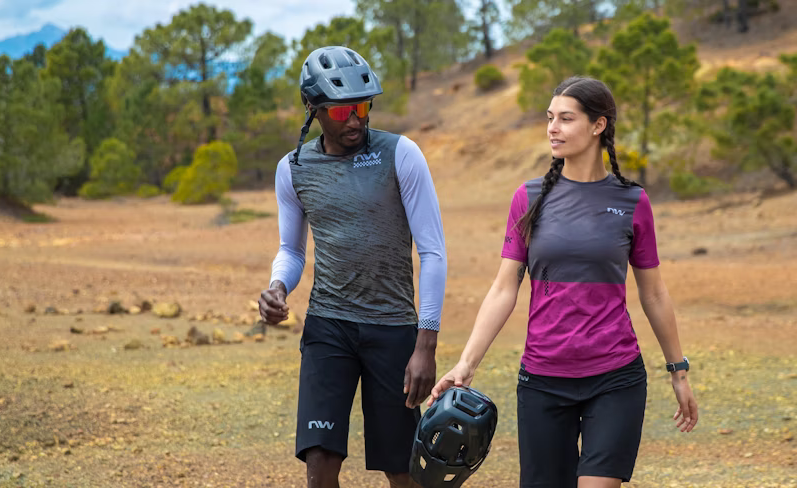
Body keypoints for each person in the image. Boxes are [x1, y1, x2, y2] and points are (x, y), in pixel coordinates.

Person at [428, 76, 698, 488]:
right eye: (550, 118)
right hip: (543, 380)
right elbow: (504, 288)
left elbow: (654, 292)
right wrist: (465, 365)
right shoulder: (529, 198)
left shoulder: (632, 202)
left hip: (615, 376)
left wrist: (678, 372)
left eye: (566, 118)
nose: (552, 128)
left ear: (598, 125)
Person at [258, 45, 446, 488]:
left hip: (393, 329)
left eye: (362, 107)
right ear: (313, 108)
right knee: (319, 463)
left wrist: (426, 345)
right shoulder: (295, 167)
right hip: (328, 327)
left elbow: (432, 251)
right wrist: (278, 286)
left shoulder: (401, 154)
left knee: (401, 467)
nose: (357, 120)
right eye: (342, 112)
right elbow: (292, 249)